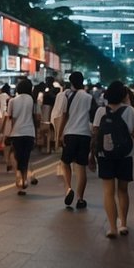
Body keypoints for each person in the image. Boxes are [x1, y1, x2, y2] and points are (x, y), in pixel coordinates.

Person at [88, 81, 134, 238]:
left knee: (108, 192)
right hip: (125, 155)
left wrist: (92, 155)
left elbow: (95, 136)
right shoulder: (129, 111)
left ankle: (112, 228)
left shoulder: (100, 111)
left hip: (104, 155)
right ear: (123, 95)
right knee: (123, 190)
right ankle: (123, 224)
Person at [53, 71, 93, 210]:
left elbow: (64, 116)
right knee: (81, 167)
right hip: (85, 134)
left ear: (71, 82)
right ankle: (80, 199)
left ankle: (68, 188)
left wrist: (59, 134)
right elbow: (93, 118)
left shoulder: (68, 96)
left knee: (65, 163)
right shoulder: (89, 97)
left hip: (70, 133)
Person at [2, 78, 38, 195]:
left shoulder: (12, 101)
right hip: (29, 132)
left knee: (17, 155)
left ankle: (19, 177)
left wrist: (8, 133)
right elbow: (37, 117)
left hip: (16, 132)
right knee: (26, 157)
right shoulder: (33, 100)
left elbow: (10, 118)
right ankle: (24, 179)